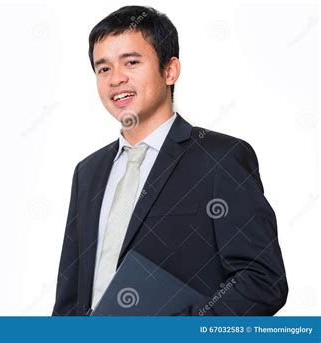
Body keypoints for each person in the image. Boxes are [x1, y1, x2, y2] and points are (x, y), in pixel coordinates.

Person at [52, 5, 288, 316]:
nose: (116, 79)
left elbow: (263, 281)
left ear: (170, 70)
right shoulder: (88, 171)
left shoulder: (219, 159)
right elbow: (70, 298)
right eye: (103, 68)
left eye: (131, 62)